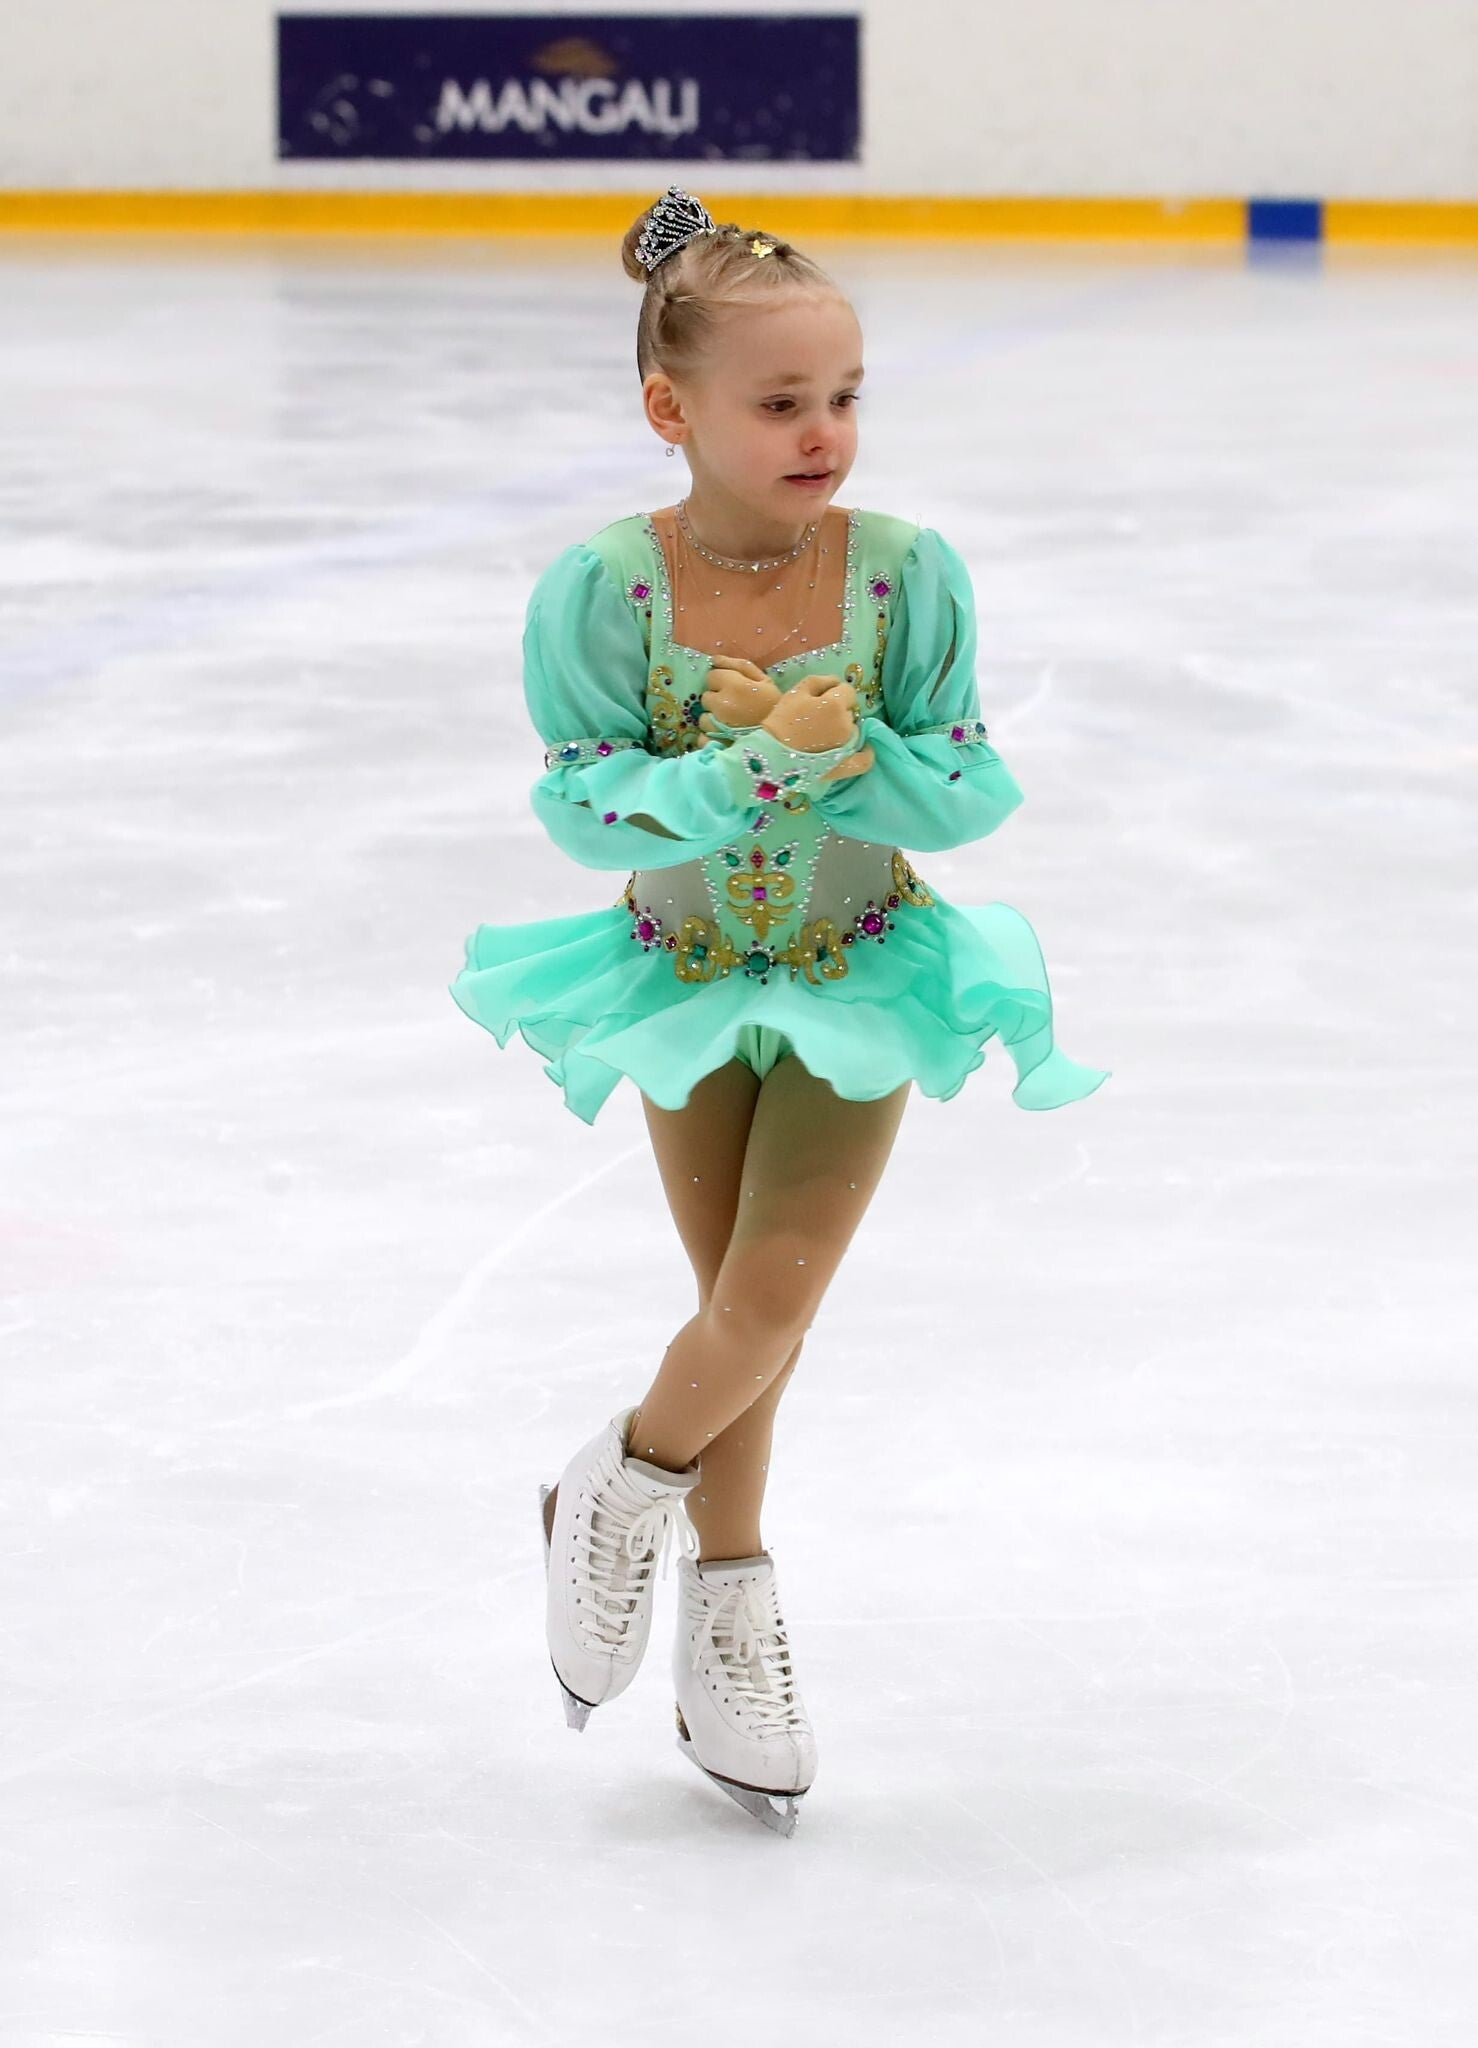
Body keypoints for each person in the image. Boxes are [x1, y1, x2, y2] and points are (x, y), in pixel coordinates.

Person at [449, 186, 1111, 1836]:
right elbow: (582, 806)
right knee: (736, 1313)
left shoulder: (901, 574)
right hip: (679, 974)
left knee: (764, 1303)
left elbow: (968, 786)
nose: (824, 432)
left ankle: (615, 1489)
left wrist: (846, 750)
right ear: (669, 409)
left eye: (844, 396)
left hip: (859, 967)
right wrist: (753, 761)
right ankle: (729, 1602)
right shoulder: (610, 586)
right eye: (781, 402)